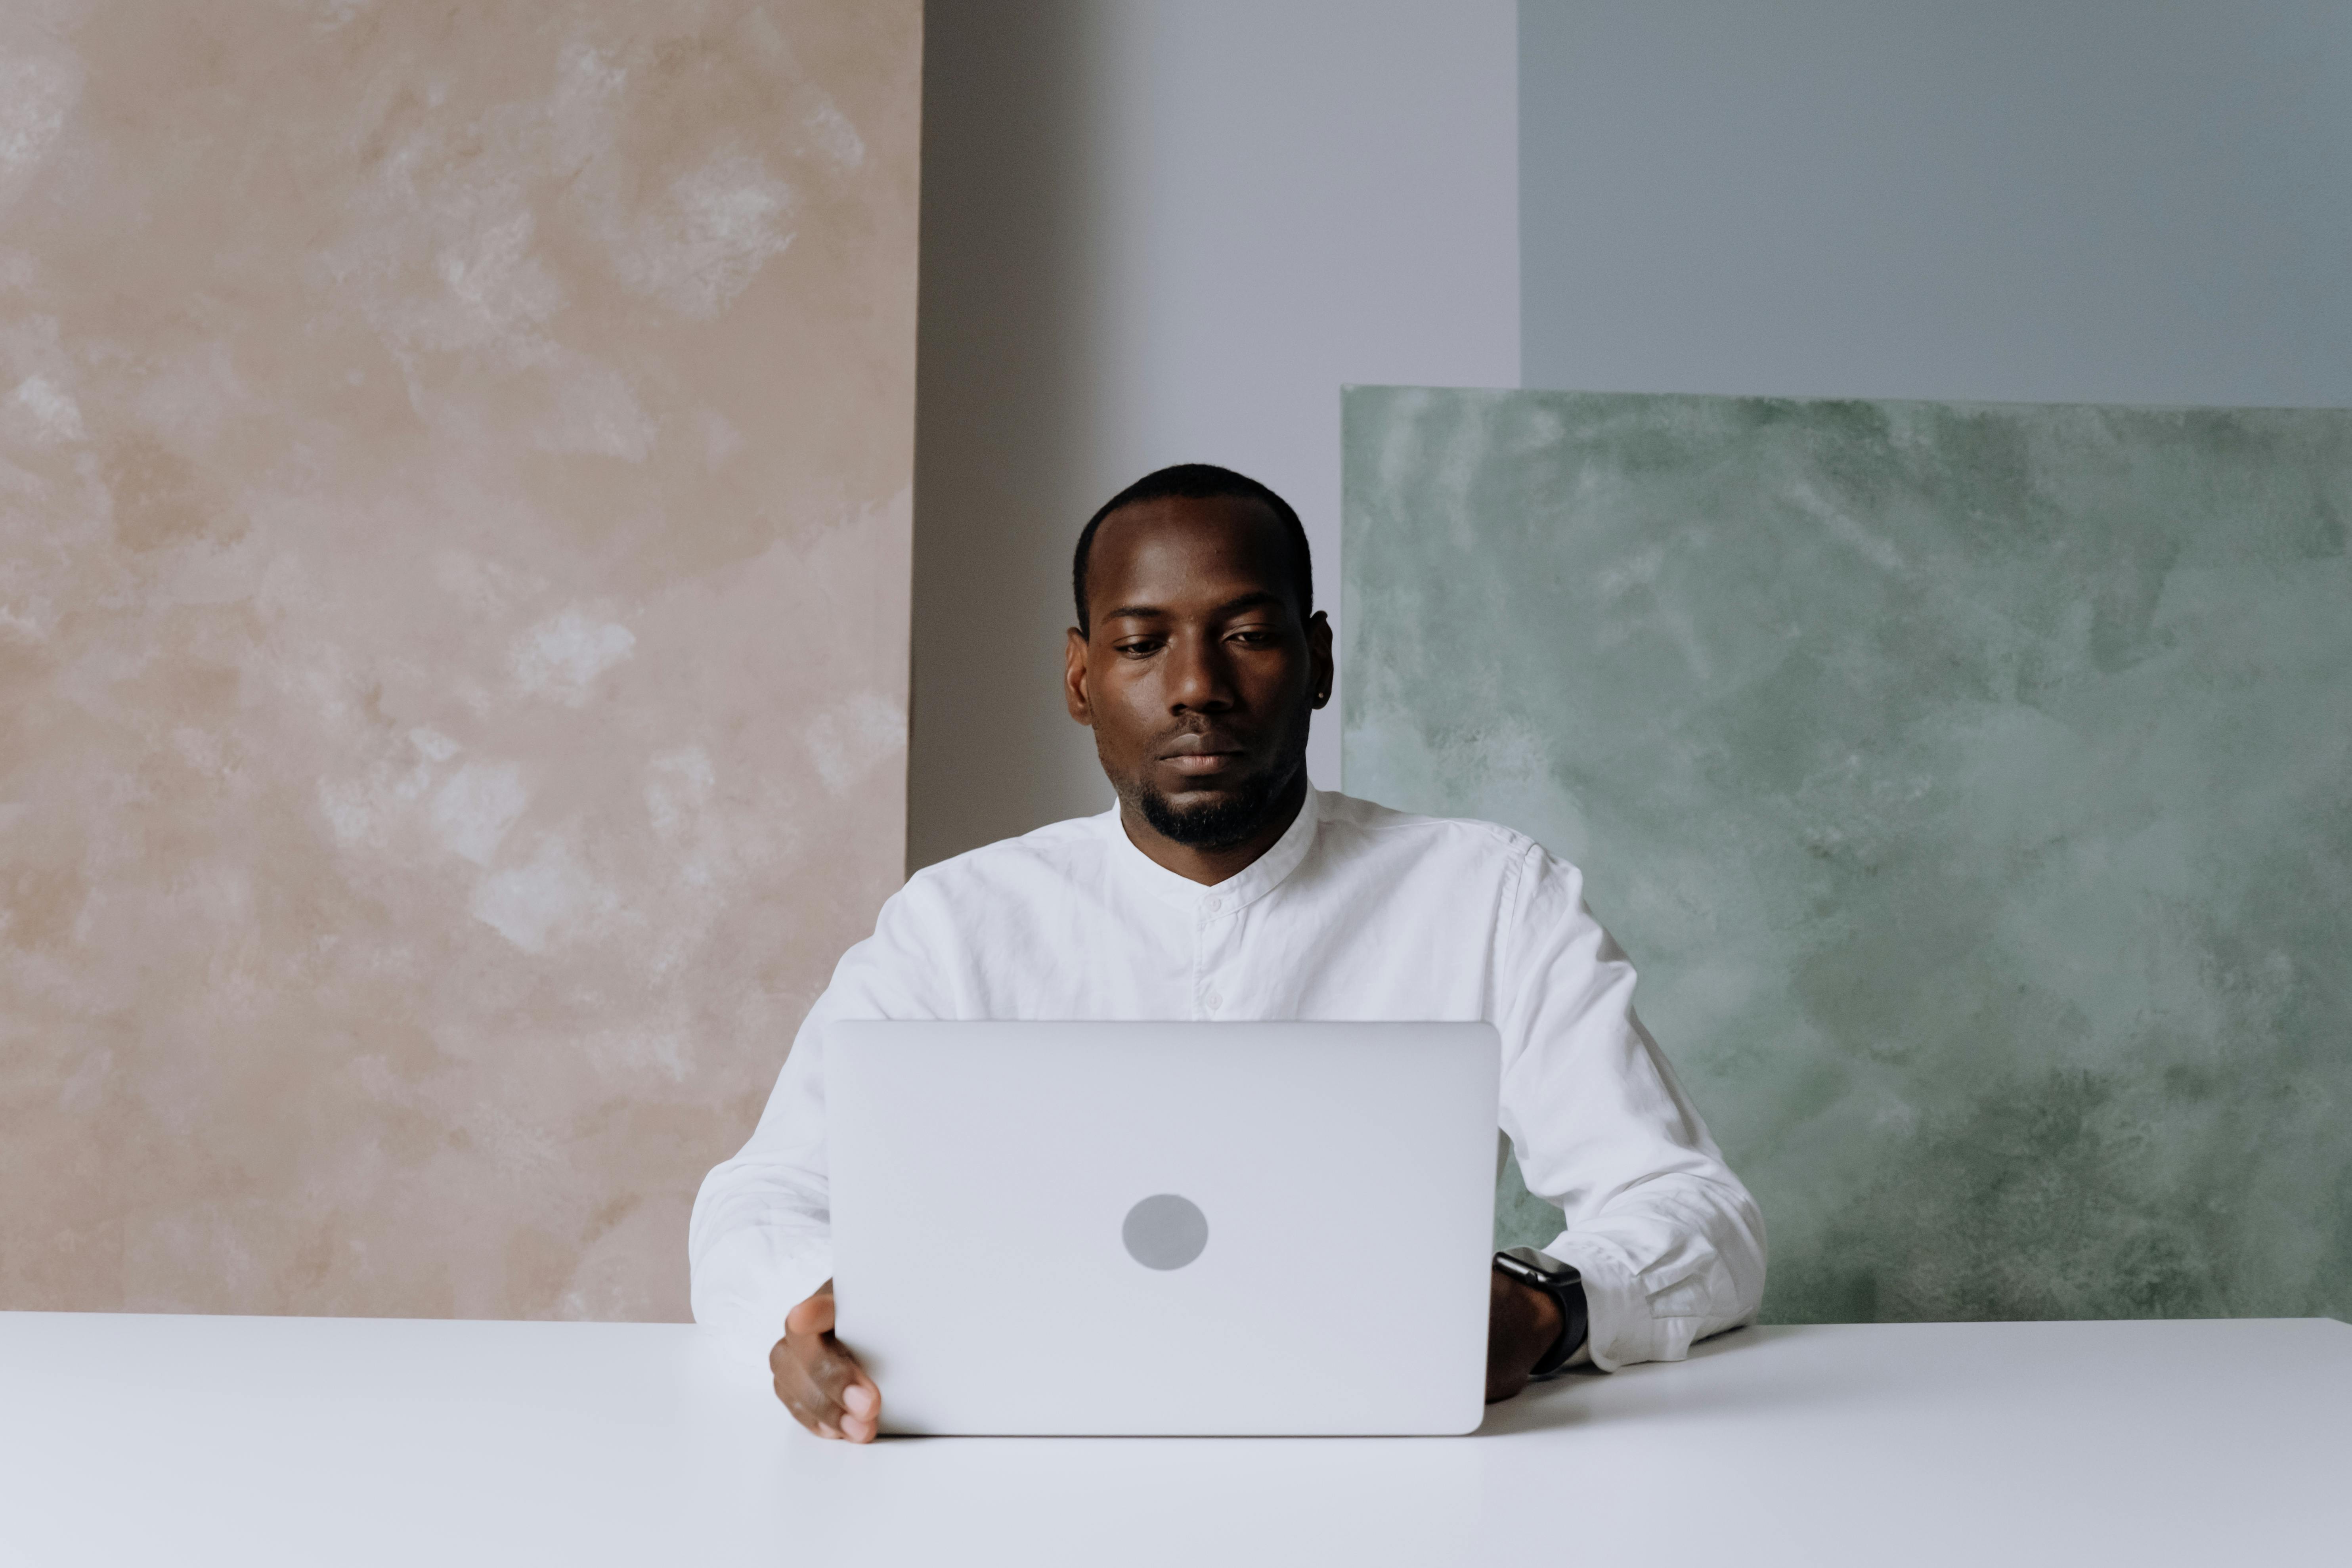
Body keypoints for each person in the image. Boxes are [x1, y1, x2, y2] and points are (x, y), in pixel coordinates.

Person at [690, 464, 1767, 1442]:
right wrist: (815, 1307)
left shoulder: (1489, 899)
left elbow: (1696, 1210)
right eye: (1142, 642)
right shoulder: (957, 924)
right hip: (1014, 1481)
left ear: (1320, 661)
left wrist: (1543, 1303)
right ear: (1079, 678)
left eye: (1247, 633)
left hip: (1398, 1483)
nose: (1196, 684)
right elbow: (757, 1203)